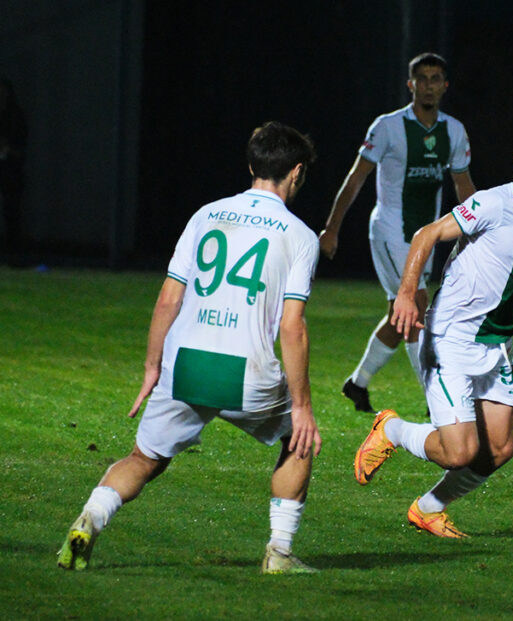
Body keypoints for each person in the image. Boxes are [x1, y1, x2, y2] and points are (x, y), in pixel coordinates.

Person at [57, 122, 323, 573]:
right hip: (247, 371)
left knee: (144, 458)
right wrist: (302, 406)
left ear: (252, 165)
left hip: (185, 365)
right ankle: (279, 552)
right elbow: (291, 326)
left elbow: (169, 299)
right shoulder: (299, 235)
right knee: (298, 442)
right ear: (296, 172)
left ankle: (90, 518)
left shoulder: (206, 215)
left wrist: (151, 367)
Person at [353, 117, 513, 537]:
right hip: (451, 340)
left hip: (498, 346)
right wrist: (406, 293)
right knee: (459, 452)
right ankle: (392, 429)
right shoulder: (492, 203)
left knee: (499, 449)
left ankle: (429, 509)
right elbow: (426, 235)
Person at [319, 52, 476, 414]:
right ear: (410, 85)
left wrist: (478, 228)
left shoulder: (454, 131)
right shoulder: (387, 127)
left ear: (445, 86)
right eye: (422, 79)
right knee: (417, 307)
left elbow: (463, 183)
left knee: (400, 315)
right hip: (390, 231)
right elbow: (356, 178)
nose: (429, 86)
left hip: (426, 235)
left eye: (435, 79)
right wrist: (332, 227)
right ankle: (436, 400)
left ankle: (357, 384)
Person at [0, 76, 28, 266]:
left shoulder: (15, 116)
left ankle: (14, 255)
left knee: (11, 211)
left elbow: (21, 147)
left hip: (10, 169)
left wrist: (8, 149)